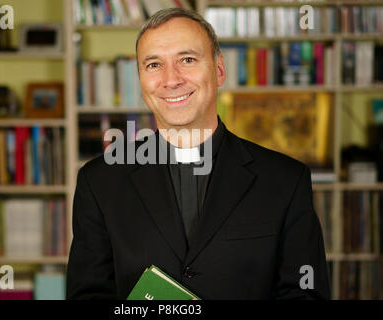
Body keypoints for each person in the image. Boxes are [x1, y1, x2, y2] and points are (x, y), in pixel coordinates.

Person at [66, 8, 331, 300]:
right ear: (140, 79)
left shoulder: (286, 181)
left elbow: (305, 294)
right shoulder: (99, 182)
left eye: (187, 60)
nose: (171, 79)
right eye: (154, 65)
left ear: (219, 70)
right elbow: (87, 295)